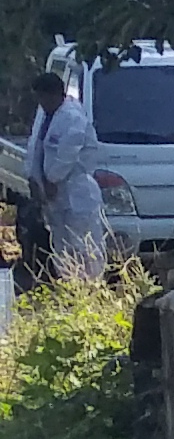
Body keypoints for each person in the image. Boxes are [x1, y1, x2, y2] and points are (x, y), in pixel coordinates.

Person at [25, 67, 107, 280]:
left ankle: (90, 287)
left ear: (53, 94)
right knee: (61, 244)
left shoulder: (73, 117)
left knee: (84, 243)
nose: (41, 103)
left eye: (42, 97)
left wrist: (52, 180)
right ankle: (69, 284)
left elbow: (67, 154)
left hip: (76, 192)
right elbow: (36, 149)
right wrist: (33, 178)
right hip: (55, 197)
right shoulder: (46, 116)